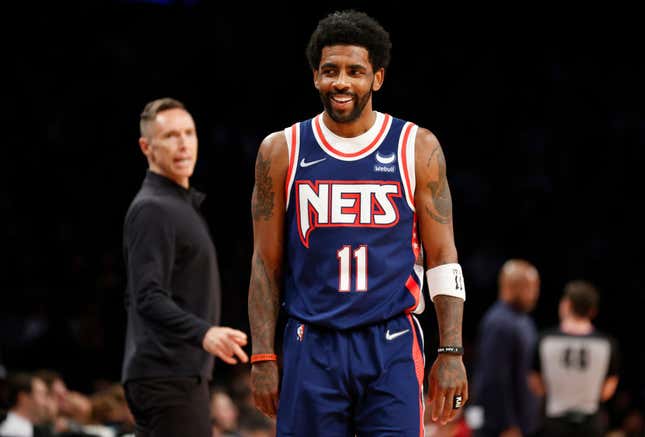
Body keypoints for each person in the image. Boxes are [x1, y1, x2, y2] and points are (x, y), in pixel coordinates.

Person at [247, 10, 468, 436]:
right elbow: (264, 262)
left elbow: (443, 256)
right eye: (330, 71)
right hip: (311, 342)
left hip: (391, 343)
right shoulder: (281, 150)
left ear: (377, 78)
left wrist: (452, 349)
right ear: (315, 77)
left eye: (355, 71)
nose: (341, 82)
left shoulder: (417, 147)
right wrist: (262, 357)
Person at [122, 97, 248, 437]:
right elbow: (146, 295)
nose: (183, 144)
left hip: (175, 376)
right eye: (170, 136)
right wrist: (204, 332)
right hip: (167, 377)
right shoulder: (153, 208)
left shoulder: (177, 205)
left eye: (189, 133)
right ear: (146, 147)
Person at [529, 280, 620, 437]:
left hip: (554, 423)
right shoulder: (607, 343)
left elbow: (535, 383)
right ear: (593, 310)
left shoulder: (545, 339)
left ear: (566, 304)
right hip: (591, 423)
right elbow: (608, 388)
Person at [470, 259, 541, 437]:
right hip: (503, 427)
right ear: (511, 286)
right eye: (529, 287)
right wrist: (506, 424)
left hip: (523, 422)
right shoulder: (499, 323)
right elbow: (494, 377)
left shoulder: (523, 320)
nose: (534, 293)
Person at [0, 372, 50, 437]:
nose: (46, 403)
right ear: (23, 398)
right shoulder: (12, 430)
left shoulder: (28, 428)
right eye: (41, 394)